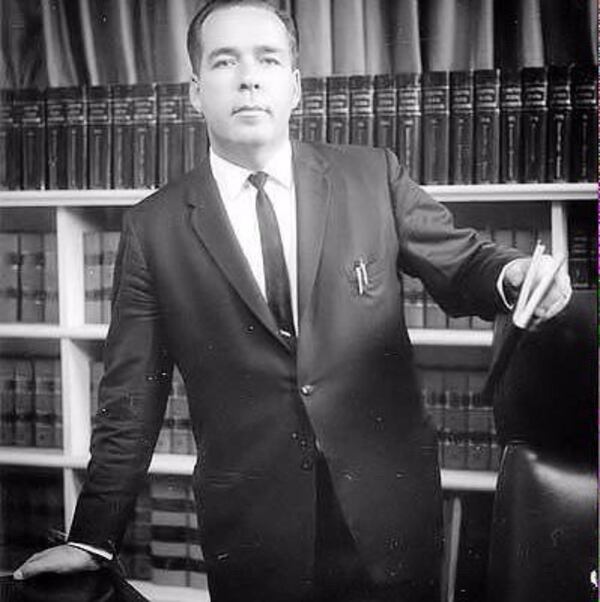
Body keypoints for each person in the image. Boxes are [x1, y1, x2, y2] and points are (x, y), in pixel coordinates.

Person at [14, 2, 571, 600]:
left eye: (268, 60)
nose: (248, 79)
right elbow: (130, 397)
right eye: (225, 62)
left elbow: (462, 262)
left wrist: (513, 273)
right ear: (195, 92)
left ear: (296, 86)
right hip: (254, 534)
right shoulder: (154, 227)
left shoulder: (372, 176)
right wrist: (91, 538)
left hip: (390, 514)